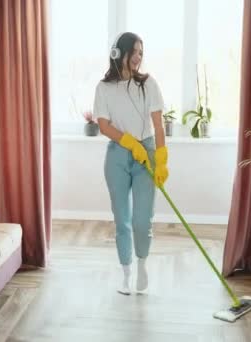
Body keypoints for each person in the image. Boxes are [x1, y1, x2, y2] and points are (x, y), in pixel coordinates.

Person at [93, 32, 168, 295]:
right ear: (118, 53)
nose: (138, 58)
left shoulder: (148, 84)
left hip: (145, 152)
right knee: (122, 219)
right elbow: (103, 125)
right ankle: (125, 272)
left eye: (141, 53)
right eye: (133, 52)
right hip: (117, 155)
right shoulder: (103, 88)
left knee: (141, 219)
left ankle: (143, 265)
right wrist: (129, 143)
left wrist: (161, 160)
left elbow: (159, 126)